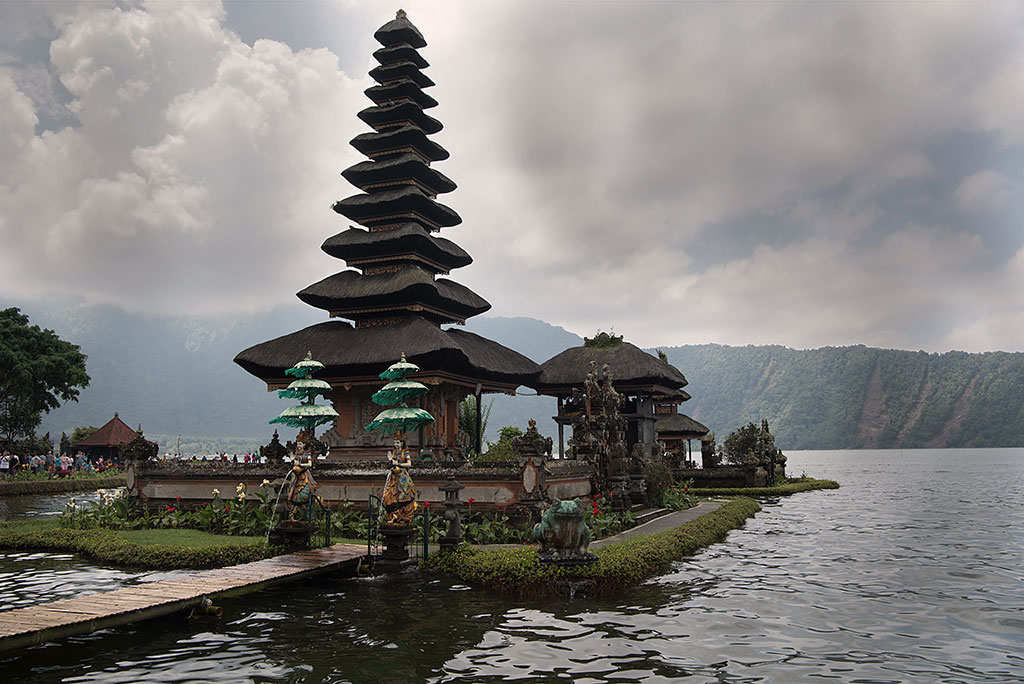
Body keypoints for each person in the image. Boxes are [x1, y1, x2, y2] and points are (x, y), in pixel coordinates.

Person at [381, 438, 418, 526]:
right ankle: (393, 515)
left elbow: (409, 464)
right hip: (394, 476)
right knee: (390, 495)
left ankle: (403, 516)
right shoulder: (394, 452)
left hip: (403, 477)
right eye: (394, 442)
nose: (396, 444)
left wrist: (398, 464)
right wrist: (391, 461)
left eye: (398, 442)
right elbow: (392, 463)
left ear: (402, 443)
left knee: (404, 495)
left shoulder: (405, 452)